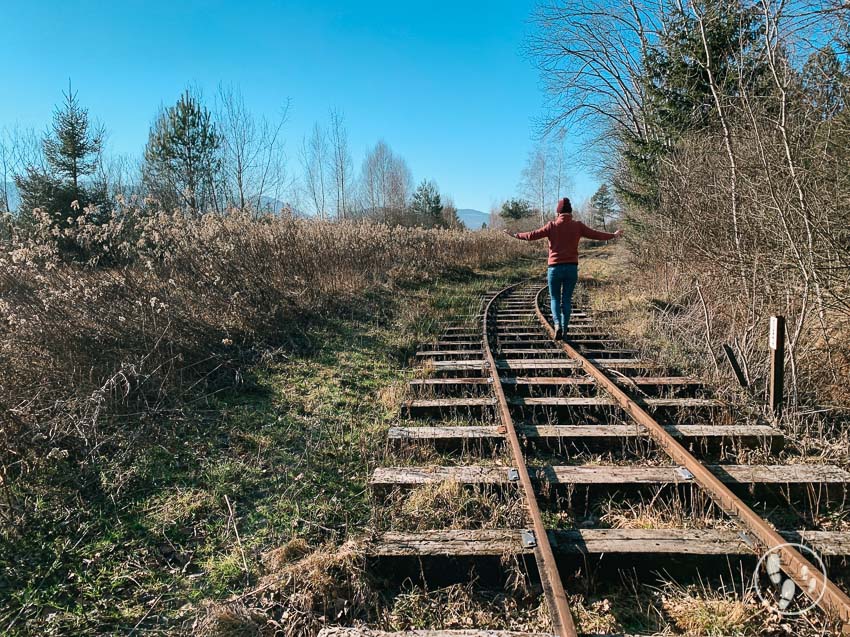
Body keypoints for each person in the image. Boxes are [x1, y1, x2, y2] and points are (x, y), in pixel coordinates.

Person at [505, 197, 622, 340]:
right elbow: (596, 234)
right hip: (571, 268)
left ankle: (557, 325)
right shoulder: (578, 226)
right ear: (570, 212)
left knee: (554, 298)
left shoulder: (551, 226)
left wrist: (515, 235)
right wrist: (613, 235)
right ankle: (565, 329)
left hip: (554, 268)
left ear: (558, 212)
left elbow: (531, 235)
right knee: (566, 299)